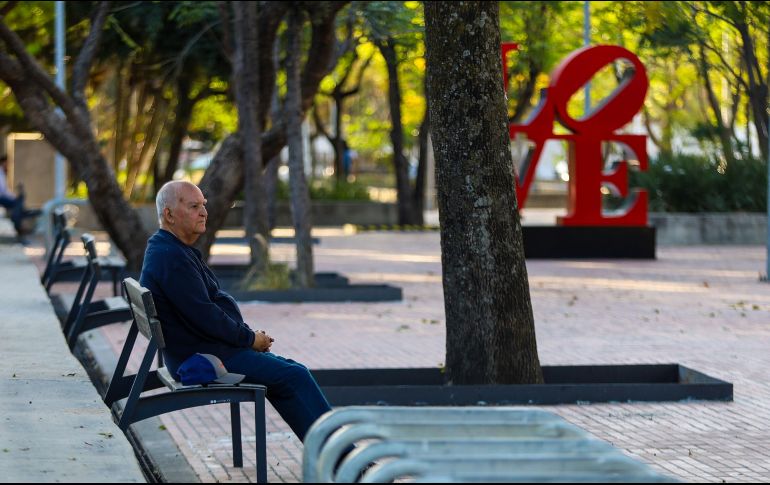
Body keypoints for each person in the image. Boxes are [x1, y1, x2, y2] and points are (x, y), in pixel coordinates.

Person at [140, 180, 332, 442]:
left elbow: (204, 313)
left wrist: (247, 336)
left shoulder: (170, 249)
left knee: (290, 372)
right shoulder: (171, 258)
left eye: (204, 205)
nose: (204, 212)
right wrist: (250, 339)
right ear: (169, 215)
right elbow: (206, 317)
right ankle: (341, 456)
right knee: (295, 376)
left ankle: (331, 453)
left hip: (202, 350)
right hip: (204, 359)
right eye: (194, 207)